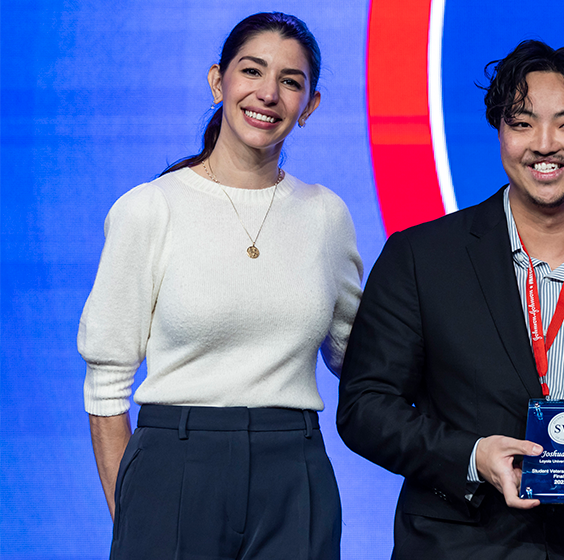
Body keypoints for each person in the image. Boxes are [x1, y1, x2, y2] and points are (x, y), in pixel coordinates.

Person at [336, 40, 564, 559]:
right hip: (458, 544)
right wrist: (472, 456)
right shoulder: (422, 256)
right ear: (500, 134)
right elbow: (365, 406)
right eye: (522, 123)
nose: (544, 144)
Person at [79, 12, 362, 559]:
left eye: (290, 81)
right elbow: (107, 384)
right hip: (173, 464)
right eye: (251, 71)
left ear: (311, 106)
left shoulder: (326, 215)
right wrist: (134, 517)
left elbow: (359, 356)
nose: (268, 94)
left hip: (294, 470)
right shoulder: (149, 209)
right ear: (218, 81)